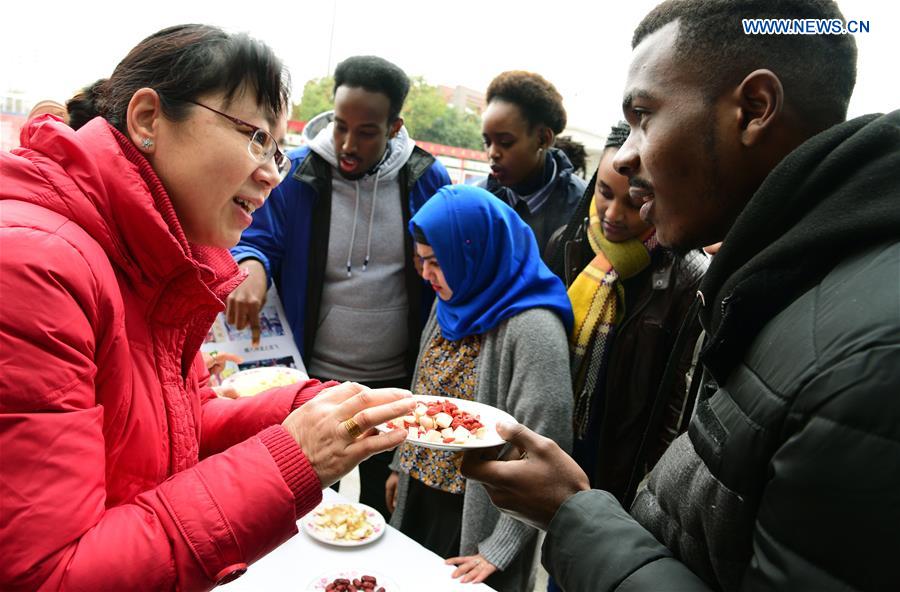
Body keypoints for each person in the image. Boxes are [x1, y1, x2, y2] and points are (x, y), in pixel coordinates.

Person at [462, 1, 900, 590]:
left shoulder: (867, 359)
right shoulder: (784, 292)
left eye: (644, 115)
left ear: (754, 109)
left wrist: (574, 515)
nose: (623, 157)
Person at [0, 25, 415, 591]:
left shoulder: (158, 267)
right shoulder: (34, 270)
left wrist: (311, 407)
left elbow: (186, 424)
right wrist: (292, 458)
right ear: (148, 119)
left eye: (278, 151)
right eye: (253, 138)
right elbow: (48, 576)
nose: (270, 173)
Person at [228, 55, 450, 518]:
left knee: (374, 515)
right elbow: (257, 237)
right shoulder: (300, 172)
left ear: (394, 127)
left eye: (366, 131)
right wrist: (250, 265)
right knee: (304, 509)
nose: (347, 143)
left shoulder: (426, 177)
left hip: (394, 386)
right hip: (313, 381)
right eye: (340, 125)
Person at [384, 184, 574, 591]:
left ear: (473, 253)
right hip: (422, 495)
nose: (424, 274)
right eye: (420, 261)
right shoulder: (449, 302)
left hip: (476, 522)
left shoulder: (533, 327)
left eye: (436, 262)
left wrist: (499, 547)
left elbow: (547, 447)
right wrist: (403, 465)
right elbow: (423, 389)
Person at [560, 121, 708, 505]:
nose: (612, 213)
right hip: (561, 432)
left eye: (633, 202)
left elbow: (677, 406)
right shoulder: (571, 243)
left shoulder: (688, 278)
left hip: (622, 457)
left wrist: (652, 489)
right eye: (604, 193)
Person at [479, 71, 586, 279]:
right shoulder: (478, 201)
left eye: (505, 142)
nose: (493, 153)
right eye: (487, 142)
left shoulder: (583, 208)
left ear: (543, 139)